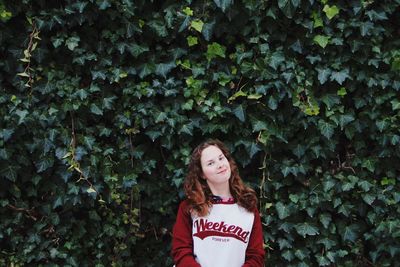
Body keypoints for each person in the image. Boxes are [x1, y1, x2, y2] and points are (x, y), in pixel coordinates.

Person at [172, 139, 265, 267]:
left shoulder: (248, 206)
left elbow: (256, 256)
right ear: (202, 174)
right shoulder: (190, 207)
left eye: (221, 158)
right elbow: (181, 252)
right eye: (211, 163)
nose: (220, 165)